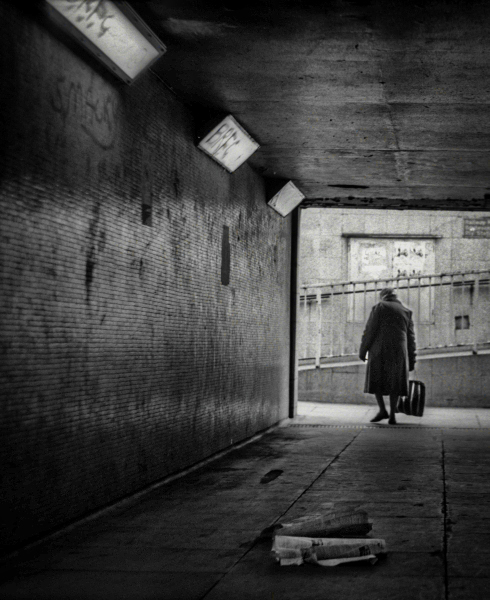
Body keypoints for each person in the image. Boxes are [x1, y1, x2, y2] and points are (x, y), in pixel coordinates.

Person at [359, 287, 416, 425]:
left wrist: (363, 350)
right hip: (399, 352)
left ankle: (382, 410)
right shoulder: (406, 312)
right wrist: (412, 360)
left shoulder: (379, 307)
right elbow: (411, 339)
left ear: (383, 296)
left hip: (380, 350)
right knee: (395, 382)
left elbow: (369, 331)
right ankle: (392, 415)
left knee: (377, 379)